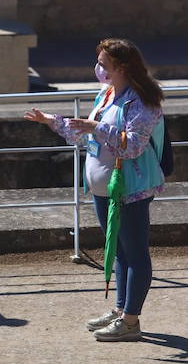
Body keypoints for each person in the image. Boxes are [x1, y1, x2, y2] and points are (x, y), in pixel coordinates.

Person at [26, 37, 165, 342]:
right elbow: (86, 135)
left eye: (103, 64)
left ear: (122, 67)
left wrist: (95, 129)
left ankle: (130, 320)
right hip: (104, 188)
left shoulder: (143, 100)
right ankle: (120, 310)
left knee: (135, 253)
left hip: (130, 189)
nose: (98, 69)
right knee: (117, 249)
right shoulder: (107, 93)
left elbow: (133, 145)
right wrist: (52, 121)